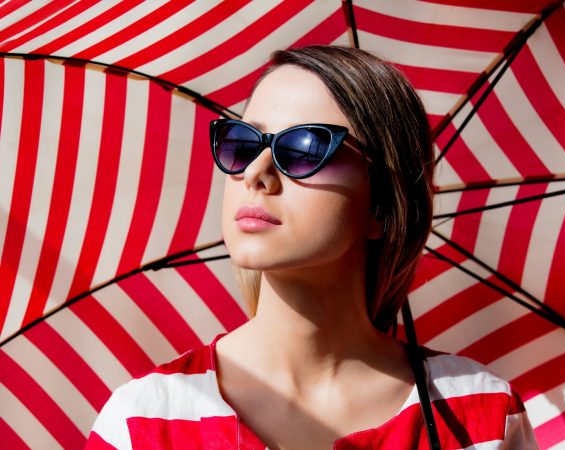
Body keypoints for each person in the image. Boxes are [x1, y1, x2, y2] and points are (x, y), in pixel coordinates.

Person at [86, 46, 538, 449]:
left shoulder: (479, 414)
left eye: (304, 147)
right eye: (242, 143)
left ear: (382, 205)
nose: (256, 173)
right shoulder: (144, 420)